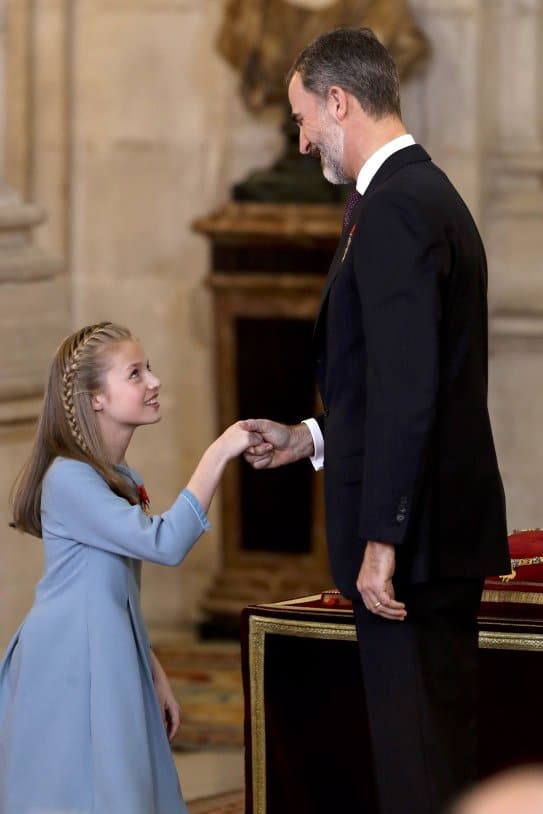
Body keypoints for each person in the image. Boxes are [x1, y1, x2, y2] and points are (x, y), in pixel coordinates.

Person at [244, 27, 510, 814]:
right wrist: (311, 436)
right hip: (431, 538)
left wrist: (381, 542)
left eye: (303, 118)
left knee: (417, 776)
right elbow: (392, 384)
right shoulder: (415, 195)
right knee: (432, 765)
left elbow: (409, 389)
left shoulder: (396, 207)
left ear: (339, 100)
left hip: (413, 550)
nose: (299, 142)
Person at [0, 321, 260, 814]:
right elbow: (163, 543)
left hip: (111, 651)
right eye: (135, 374)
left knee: (129, 792)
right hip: (69, 661)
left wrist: (153, 671)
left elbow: (119, 591)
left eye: (149, 370)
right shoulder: (69, 479)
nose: (154, 382)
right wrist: (219, 451)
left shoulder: (119, 478)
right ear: (95, 398)